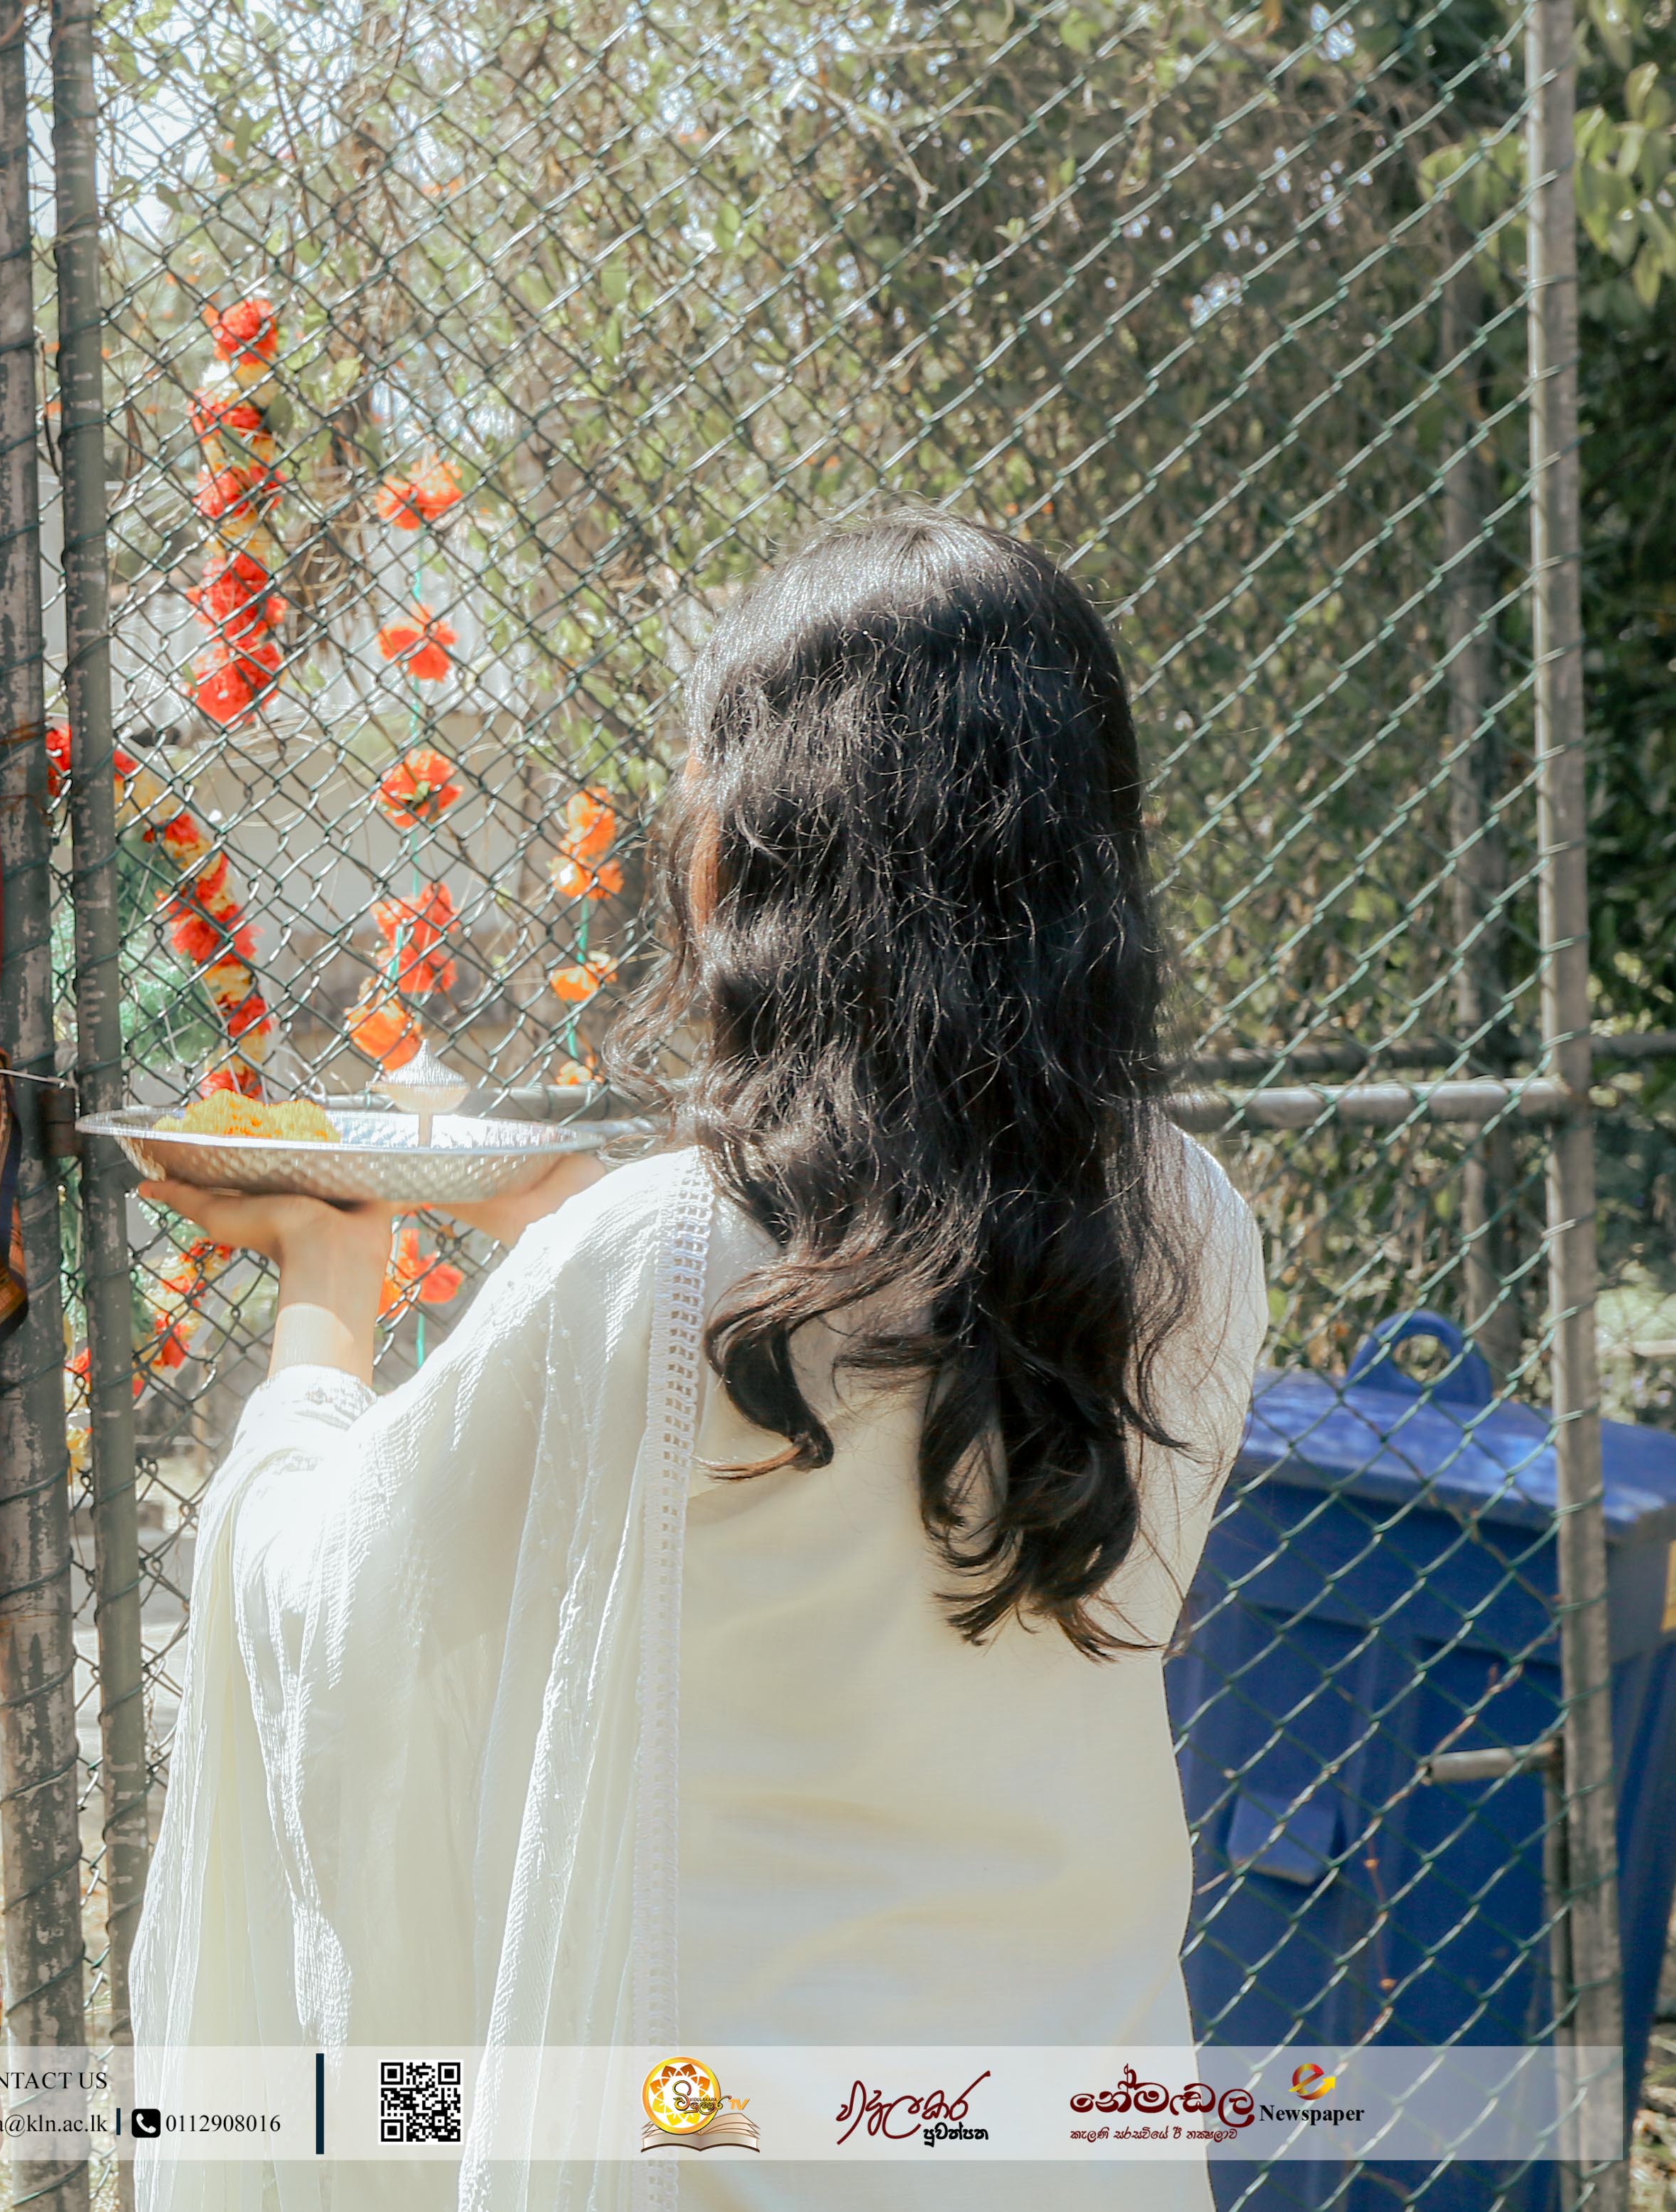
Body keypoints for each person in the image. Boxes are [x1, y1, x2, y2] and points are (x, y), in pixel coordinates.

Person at [130, 512, 1267, 2212]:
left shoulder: (655, 1261)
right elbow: (865, 1346)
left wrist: (325, 1288)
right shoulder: (1185, 1224)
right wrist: (555, 1221)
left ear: (769, 849)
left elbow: (336, 1601)